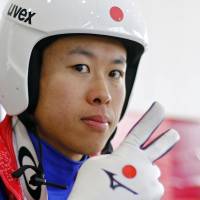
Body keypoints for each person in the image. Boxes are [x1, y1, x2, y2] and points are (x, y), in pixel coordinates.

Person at [0, 0, 179, 199]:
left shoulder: (124, 186)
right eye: (81, 68)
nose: (104, 95)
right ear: (26, 74)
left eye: (115, 73)